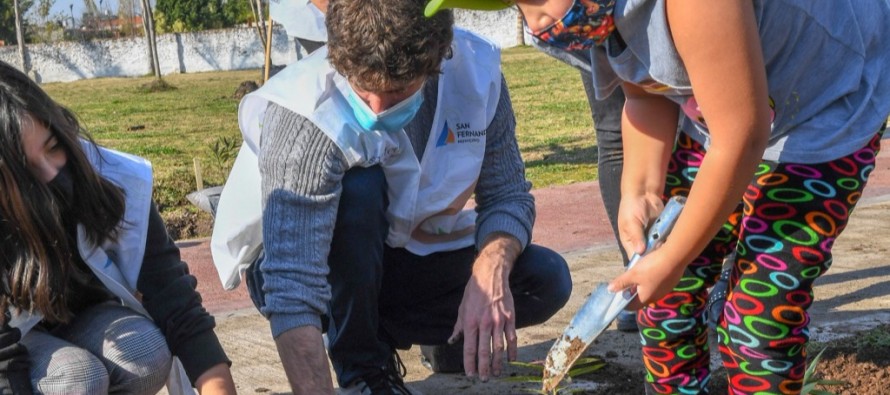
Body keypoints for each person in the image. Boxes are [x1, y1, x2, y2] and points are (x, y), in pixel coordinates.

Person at [426, 0, 890, 393]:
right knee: (664, 302)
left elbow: (743, 134)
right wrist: (640, 189)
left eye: (541, 0)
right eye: (519, 6)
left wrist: (675, 258)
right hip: (723, 116)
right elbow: (647, 93)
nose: (539, 24)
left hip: (824, 114)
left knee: (759, 321)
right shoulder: (602, 16)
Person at [211, 0, 572, 394]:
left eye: (398, 90)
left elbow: (507, 195)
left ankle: (444, 341)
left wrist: (490, 268)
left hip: (397, 255)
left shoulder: (475, 73)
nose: (378, 109)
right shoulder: (306, 112)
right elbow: (292, 284)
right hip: (307, 264)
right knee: (359, 190)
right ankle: (363, 370)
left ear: (438, 59)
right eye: (363, 89)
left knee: (544, 279)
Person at [0, 60, 237, 395]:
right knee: (77, 379)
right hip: (12, 345)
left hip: (75, 321)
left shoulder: (113, 180)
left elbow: (176, 301)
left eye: (54, 147)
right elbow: (3, 360)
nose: (52, 172)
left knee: (146, 353)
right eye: (27, 171)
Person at [528, 36, 636, 332]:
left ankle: (716, 272)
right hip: (601, 25)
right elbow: (645, 102)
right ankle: (640, 277)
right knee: (618, 132)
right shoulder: (585, 28)